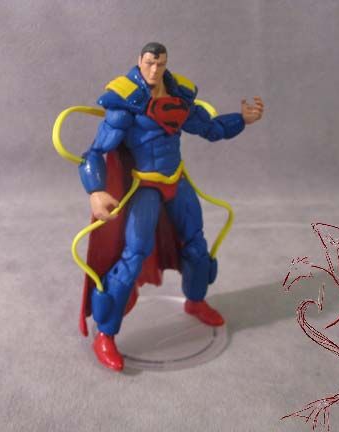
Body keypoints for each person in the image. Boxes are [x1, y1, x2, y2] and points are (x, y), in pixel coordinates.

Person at [78, 42, 264, 371]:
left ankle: (195, 301)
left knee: (196, 244)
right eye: (149, 62)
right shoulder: (125, 101)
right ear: (139, 61)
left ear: (165, 64)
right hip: (144, 187)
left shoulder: (178, 94)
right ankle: (105, 334)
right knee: (133, 255)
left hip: (176, 181)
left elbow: (211, 128)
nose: (154, 69)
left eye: (160, 63)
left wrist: (243, 119)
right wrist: (95, 191)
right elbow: (94, 152)